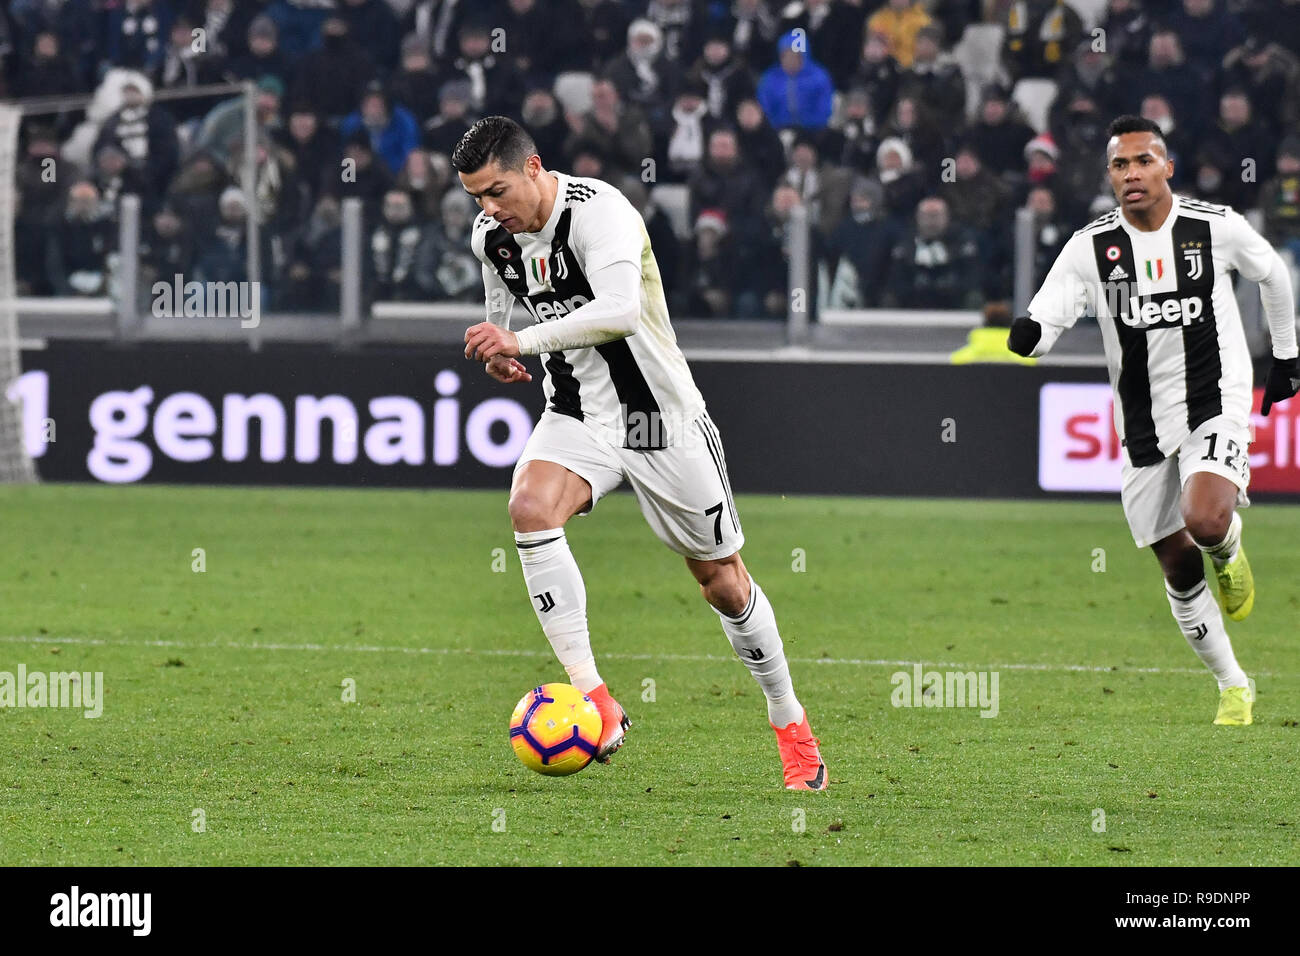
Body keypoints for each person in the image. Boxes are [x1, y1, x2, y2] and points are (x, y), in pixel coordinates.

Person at [454, 116, 827, 789]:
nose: (489, 208)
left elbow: (622, 311)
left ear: (534, 167)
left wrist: (523, 346)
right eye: (476, 196)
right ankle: (594, 697)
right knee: (530, 509)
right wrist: (501, 355)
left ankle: (789, 721)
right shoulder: (492, 238)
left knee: (724, 584)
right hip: (576, 413)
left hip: (659, 420)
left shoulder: (603, 215)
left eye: (498, 190)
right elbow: (503, 317)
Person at [1007, 115, 1300, 726]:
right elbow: (1046, 320)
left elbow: (1273, 272)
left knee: (1205, 517)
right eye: (1120, 164)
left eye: (1144, 161)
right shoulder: (1091, 247)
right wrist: (1028, 336)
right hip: (1139, 420)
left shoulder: (1213, 228)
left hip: (1214, 396)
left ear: (1167, 167)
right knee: (1175, 562)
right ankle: (1233, 685)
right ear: (1110, 175)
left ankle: (1228, 546)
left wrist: (1288, 356)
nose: (1132, 173)